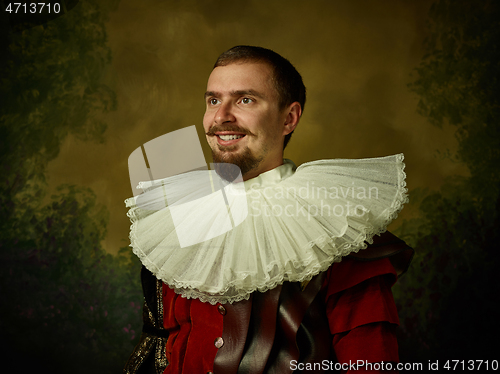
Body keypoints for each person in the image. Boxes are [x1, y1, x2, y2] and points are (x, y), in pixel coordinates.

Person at [124, 46, 413, 374]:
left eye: (245, 100)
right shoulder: (180, 215)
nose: (221, 117)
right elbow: (163, 348)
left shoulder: (340, 226)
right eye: (213, 100)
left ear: (289, 118)